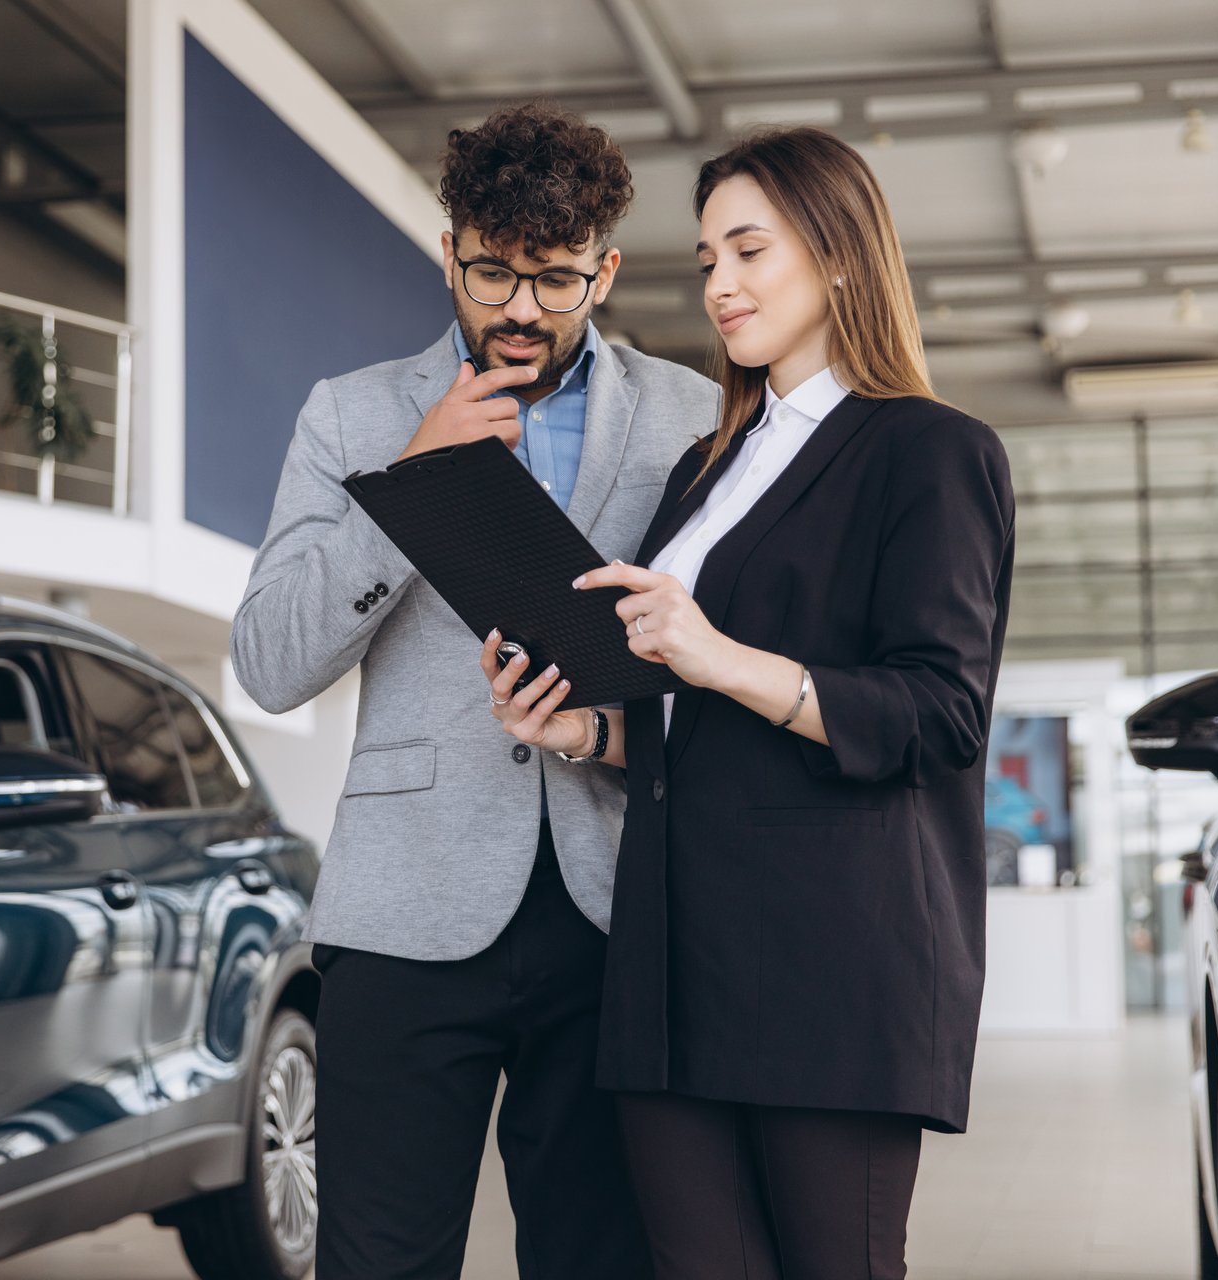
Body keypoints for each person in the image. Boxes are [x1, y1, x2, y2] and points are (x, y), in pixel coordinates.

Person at [482, 125, 1016, 1278]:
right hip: (674, 966)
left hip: (830, 969)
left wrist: (715, 653)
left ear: (837, 256)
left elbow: (940, 714)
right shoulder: (705, 470)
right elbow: (695, 723)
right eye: (706, 257)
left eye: (748, 251)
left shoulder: (929, 451)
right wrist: (585, 728)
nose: (718, 285)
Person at [231, 102, 717, 1279]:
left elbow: (720, 668)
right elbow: (270, 659)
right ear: (449, 252)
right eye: (492, 272)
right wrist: (415, 478)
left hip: (615, 907)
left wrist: (608, 729)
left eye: (554, 281)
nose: (518, 309)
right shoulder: (351, 413)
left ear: (602, 269)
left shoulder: (694, 417)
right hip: (404, 908)